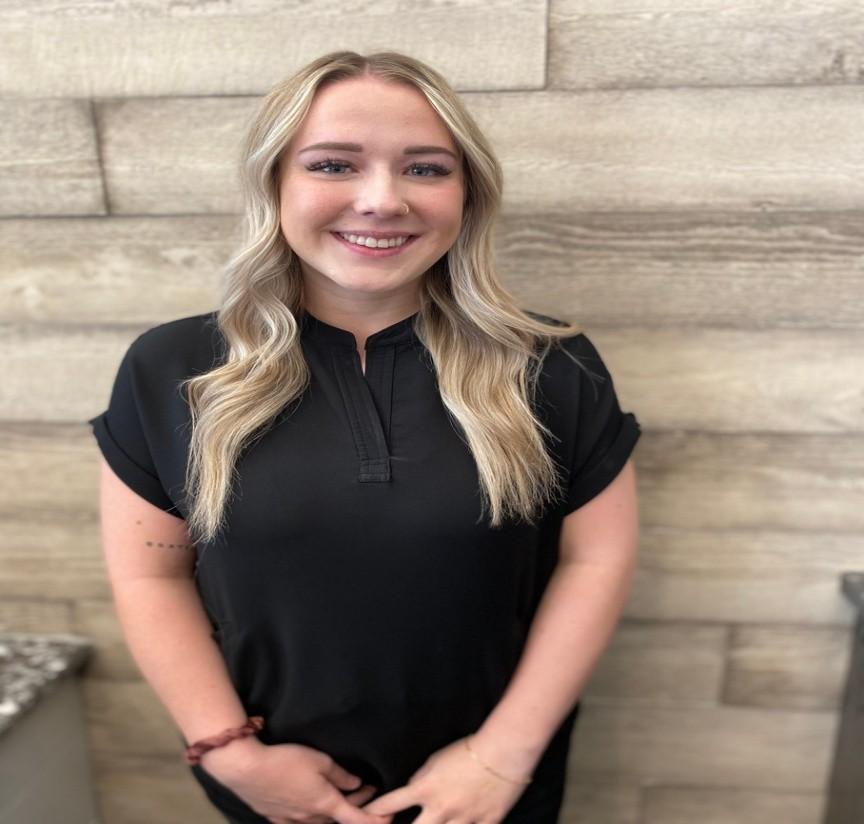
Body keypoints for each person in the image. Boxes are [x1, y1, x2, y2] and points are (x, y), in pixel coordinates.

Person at [88, 50, 642, 824]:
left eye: (425, 169)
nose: (382, 200)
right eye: (333, 164)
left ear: (467, 193)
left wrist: (502, 759)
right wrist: (234, 758)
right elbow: (152, 576)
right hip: (276, 789)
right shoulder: (172, 369)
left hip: (492, 786)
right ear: (274, 182)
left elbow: (596, 560)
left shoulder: (550, 364)